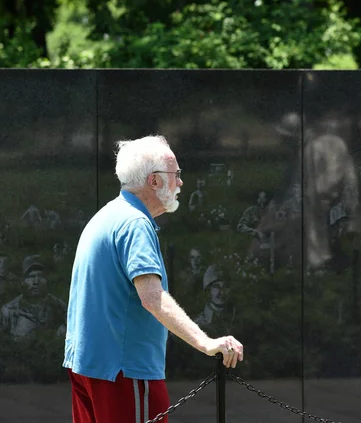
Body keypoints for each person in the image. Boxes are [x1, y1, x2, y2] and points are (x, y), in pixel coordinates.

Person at [63, 135, 244, 423]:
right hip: (124, 372)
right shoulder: (136, 224)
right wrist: (206, 343)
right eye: (177, 175)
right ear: (155, 181)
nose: (181, 183)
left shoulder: (107, 216)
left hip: (88, 367)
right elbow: (152, 298)